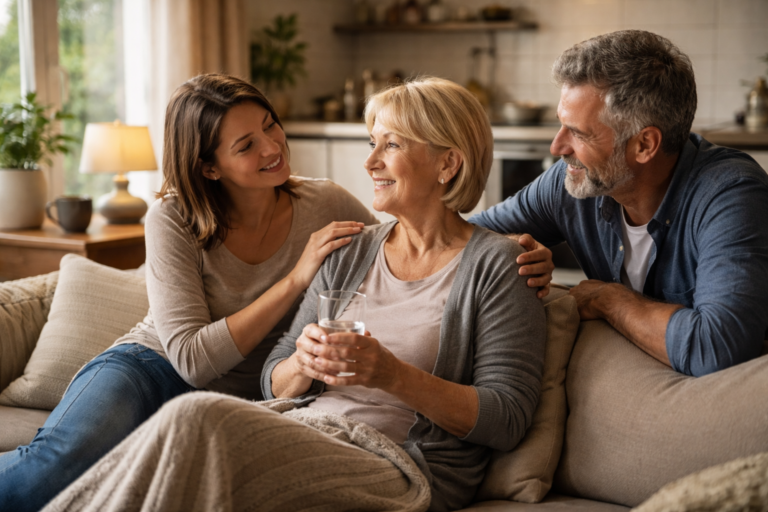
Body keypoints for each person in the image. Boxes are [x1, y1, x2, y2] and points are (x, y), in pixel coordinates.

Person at [41, 77, 547, 512]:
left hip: (395, 460)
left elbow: (506, 419)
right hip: (294, 423)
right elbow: (272, 379)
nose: (370, 161)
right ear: (210, 167)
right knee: (159, 447)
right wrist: (302, 363)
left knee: (194, 419)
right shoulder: (351, 249)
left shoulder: (500, 264)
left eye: (390, 145)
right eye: (372, 143)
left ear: (447, 163)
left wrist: (390, 374)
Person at [0, 74, 379, 512]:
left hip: (245, 402)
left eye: (270, 125)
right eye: (246, 145)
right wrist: (296, 277)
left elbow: (405, 245)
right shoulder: (172, 217)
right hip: (148, 371)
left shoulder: (326, 202)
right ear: (208, 167)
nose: (272, 147)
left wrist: (477, 224)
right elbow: (193, 361)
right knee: (51, 473)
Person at [470, 30, 768, 377]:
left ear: (645, 145)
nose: (557, 147)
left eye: (579, 133)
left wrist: (607, 299)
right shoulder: (569, 181)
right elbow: (458, 238)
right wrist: (506, 249)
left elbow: (717, 348)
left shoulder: (731, 196)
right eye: (560, 126)